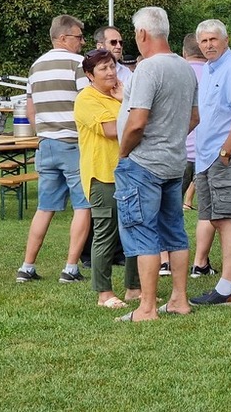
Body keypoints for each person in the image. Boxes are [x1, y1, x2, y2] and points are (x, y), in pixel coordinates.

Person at [113, 7, 198, 322]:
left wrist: (123, 152)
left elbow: (137, 122)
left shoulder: (148, 69)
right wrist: (171, 137)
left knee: (143, 232)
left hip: (143, 164)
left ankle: (147, 308)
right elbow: (194, 117)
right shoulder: (185, 68)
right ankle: (179, 299)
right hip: (173, 163)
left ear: (142, 34)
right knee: (174, 231)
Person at [16, 15, 92, 284]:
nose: (82, 42)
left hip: (46, 142)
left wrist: (43, 132)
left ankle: (27, 266)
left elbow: (30, 107)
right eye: (78, 37)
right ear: (63, 38)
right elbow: (87, 102)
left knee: (44, 207)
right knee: (84, 206)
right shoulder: (78, 64)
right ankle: (70, 268)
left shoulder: (36, 66)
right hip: (73, 143)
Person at [189, 19, 231, 306]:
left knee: (225, 219)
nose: (208, 45)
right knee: (215, 218)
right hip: (206, 157)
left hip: (222, 157)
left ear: (226, 40)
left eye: (213, 39)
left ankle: (226, 289)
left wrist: (226, 152)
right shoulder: (210, 69)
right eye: (203, 41)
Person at [74, 49, 141, 308]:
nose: (111, 72)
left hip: (129, 171)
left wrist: (126, 102)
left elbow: (134, 120)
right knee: (107, 233)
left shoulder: (120, 94)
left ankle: (134, 287)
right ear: (90, 75)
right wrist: (129, 107)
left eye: (112, 66)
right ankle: (104, 293)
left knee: (135, 229)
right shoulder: (86, 99)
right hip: (102, 175)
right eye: (103, 68)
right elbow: (113, 130)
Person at [179, 34, 212, 278]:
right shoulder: (213, 72)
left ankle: (164, 262)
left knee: (166, 210)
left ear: (184, 52)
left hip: (177, 150)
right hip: (205, 152)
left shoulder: (178, 72)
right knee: (207, 211)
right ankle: (201, 261)